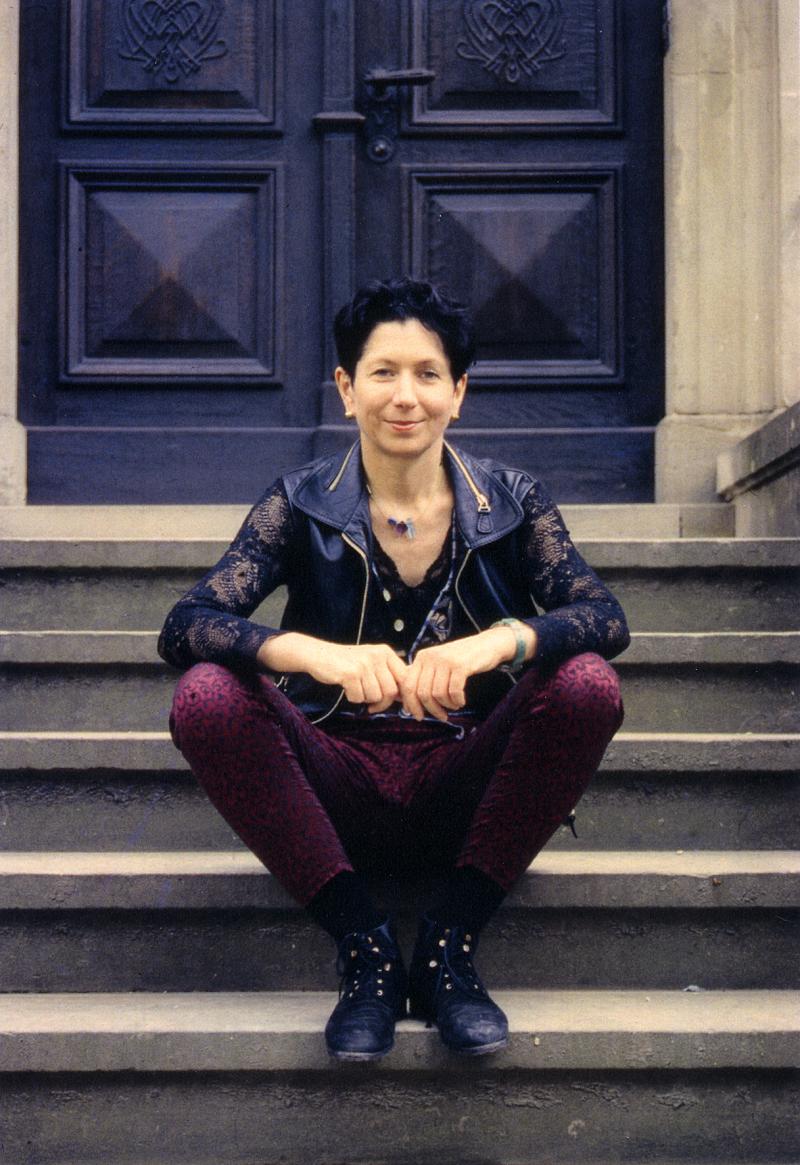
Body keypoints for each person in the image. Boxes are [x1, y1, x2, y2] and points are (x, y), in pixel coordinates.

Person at [159, 277, 629, 1062]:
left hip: (463, 780)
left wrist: (500, 642)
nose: (404, 396)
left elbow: (604, 617)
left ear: (459, 392)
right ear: (347, 389)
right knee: (206, 695)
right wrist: (308, 653)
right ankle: (367, 950)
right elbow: (187, 624)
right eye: (382, 372)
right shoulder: (300, 501)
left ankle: (448, 942)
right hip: (332, 780)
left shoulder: (514, 501)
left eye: (427, 374)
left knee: (585, 682)